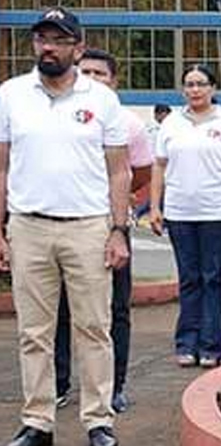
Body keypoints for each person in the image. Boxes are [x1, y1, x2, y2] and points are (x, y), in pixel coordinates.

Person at [0, 8, 132, 446]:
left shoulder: (103, 100)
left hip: (88, 228)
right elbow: (1, 165)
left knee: (94, 328)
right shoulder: (12, 95)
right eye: (41, 39)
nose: (48, 48)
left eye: (58, 40)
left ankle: (98, 419)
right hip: (28, 226)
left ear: (78, 47)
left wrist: (118, 230)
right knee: (33, 332)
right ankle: (37, 421)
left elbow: (119, 172)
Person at [55, 48, 153, 415]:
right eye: (86, 72)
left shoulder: (130, 124)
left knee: (115, 310)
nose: (93, 78)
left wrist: (117, 207)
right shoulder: (58, 116)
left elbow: (139, 172)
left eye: (101, 73)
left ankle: (113, 387)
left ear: (114, 81)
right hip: (61, 223)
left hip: (110, 226)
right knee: (60, 309)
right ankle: (58, 384)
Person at [148, 66, 221, 370]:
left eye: (201, 84)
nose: (195, 90)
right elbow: (158, 166)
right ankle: (186, 343)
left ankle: (211, 346)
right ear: (183, 90)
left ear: (213, 88)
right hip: (180, 213)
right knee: (189, 279)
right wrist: (155, 207)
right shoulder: (171, 123)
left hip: (217, 212)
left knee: (213, 278)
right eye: (189, 85)